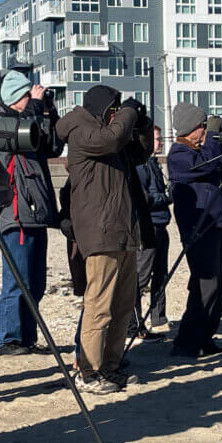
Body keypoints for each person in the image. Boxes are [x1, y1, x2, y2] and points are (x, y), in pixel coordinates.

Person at [55, 86, 153, 393]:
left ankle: (111, 365)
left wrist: (142, 123)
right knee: (99, 305)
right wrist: (129, 113)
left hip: (122, 229)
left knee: (123, 305)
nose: (116, 115)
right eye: (114, 110)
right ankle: (88, 371)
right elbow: (111, 139)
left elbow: (140, 153)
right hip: (100, 230)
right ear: (102, 109)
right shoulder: (81, 130)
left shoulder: (107, 135)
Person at [0, 71, 63, 356]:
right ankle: (9, 339)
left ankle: (27, 338)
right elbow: (16, 137)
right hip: (15, 214)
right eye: (26, 96)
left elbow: (53, 147)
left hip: (36, 213)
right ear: (14, 98)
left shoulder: (29, 120)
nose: (32, 99)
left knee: (36, 282)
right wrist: (34, 106)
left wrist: (49, 113)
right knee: (16, 280)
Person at [167, 103, 222, 359]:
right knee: (205, 283)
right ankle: (188, 341)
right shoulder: (178, 153)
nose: (204, 131)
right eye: (202, 127)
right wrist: (214, 136)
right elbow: (204, 165)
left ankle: (205, 337)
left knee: (217, 283)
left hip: (213, 223)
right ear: (190, 128)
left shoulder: (197, 150)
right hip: (198, 226)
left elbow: (215, 164)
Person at [128, 124, 172, 340]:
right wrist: (166, 197)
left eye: (160, 138)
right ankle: (133, 323)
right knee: (141, 276)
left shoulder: (154, 164)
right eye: (156, 138)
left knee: (161, 275)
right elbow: (141, 197)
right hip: (149, 226)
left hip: (161, 224)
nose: (160, 142)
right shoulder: (140, 166)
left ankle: (159, 319)